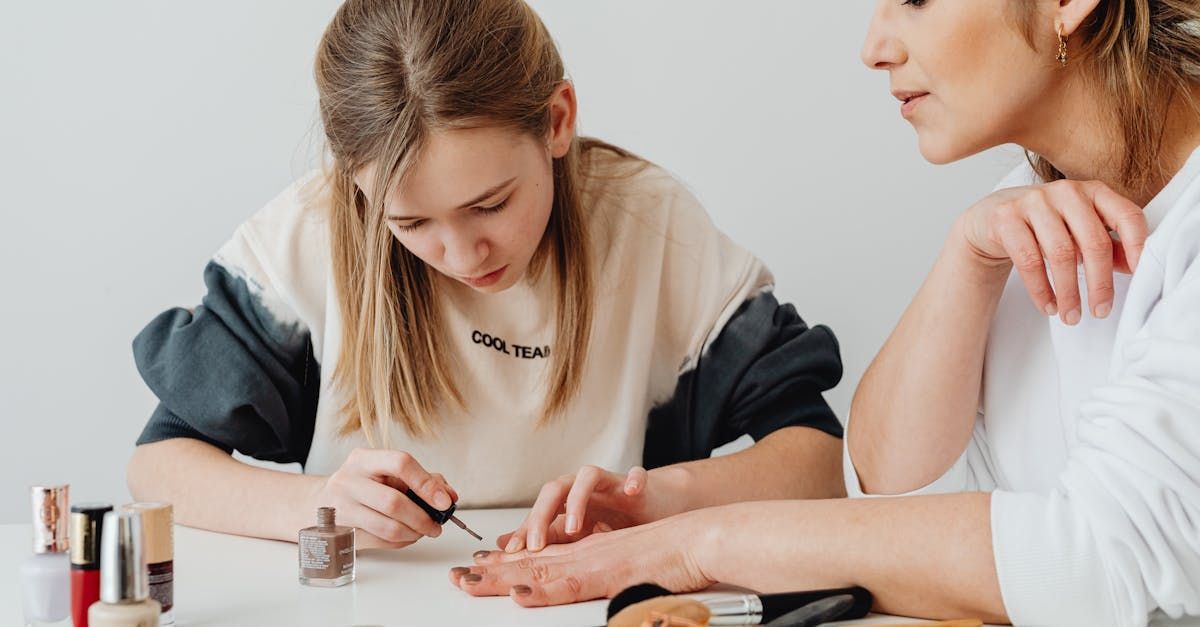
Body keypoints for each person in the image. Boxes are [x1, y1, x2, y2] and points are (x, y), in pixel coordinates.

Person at [452, 1, 1200, 625]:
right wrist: (966, 259)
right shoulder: (1030, 213)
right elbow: (893, 492)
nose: (874, 47)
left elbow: (1093, 564)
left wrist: (697, 544)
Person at [125, 0, 846, 551]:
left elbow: (817, 457)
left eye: (491, 205)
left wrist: (657, 497)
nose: (465, 255)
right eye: (412, 223)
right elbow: (159, 463)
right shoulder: (306, 239)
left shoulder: (653, 227)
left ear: (557, 120)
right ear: (360, 187)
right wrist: (315, 507)